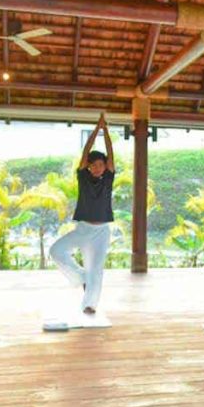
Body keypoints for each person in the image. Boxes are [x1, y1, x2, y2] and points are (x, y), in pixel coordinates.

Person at [50, 113, 115, 314]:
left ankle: (89, 305)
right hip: (82, 228)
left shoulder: (108, 178)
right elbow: (85, 151)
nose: (97, 168)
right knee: (56, 251)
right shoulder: (83, 177)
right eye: (93, 164)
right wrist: (95, 130)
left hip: (101, 232)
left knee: (96, 270)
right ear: (88, 165)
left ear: (105, 166)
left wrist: (105, 132)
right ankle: (80, 277)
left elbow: (111, 154)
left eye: (100, 164)